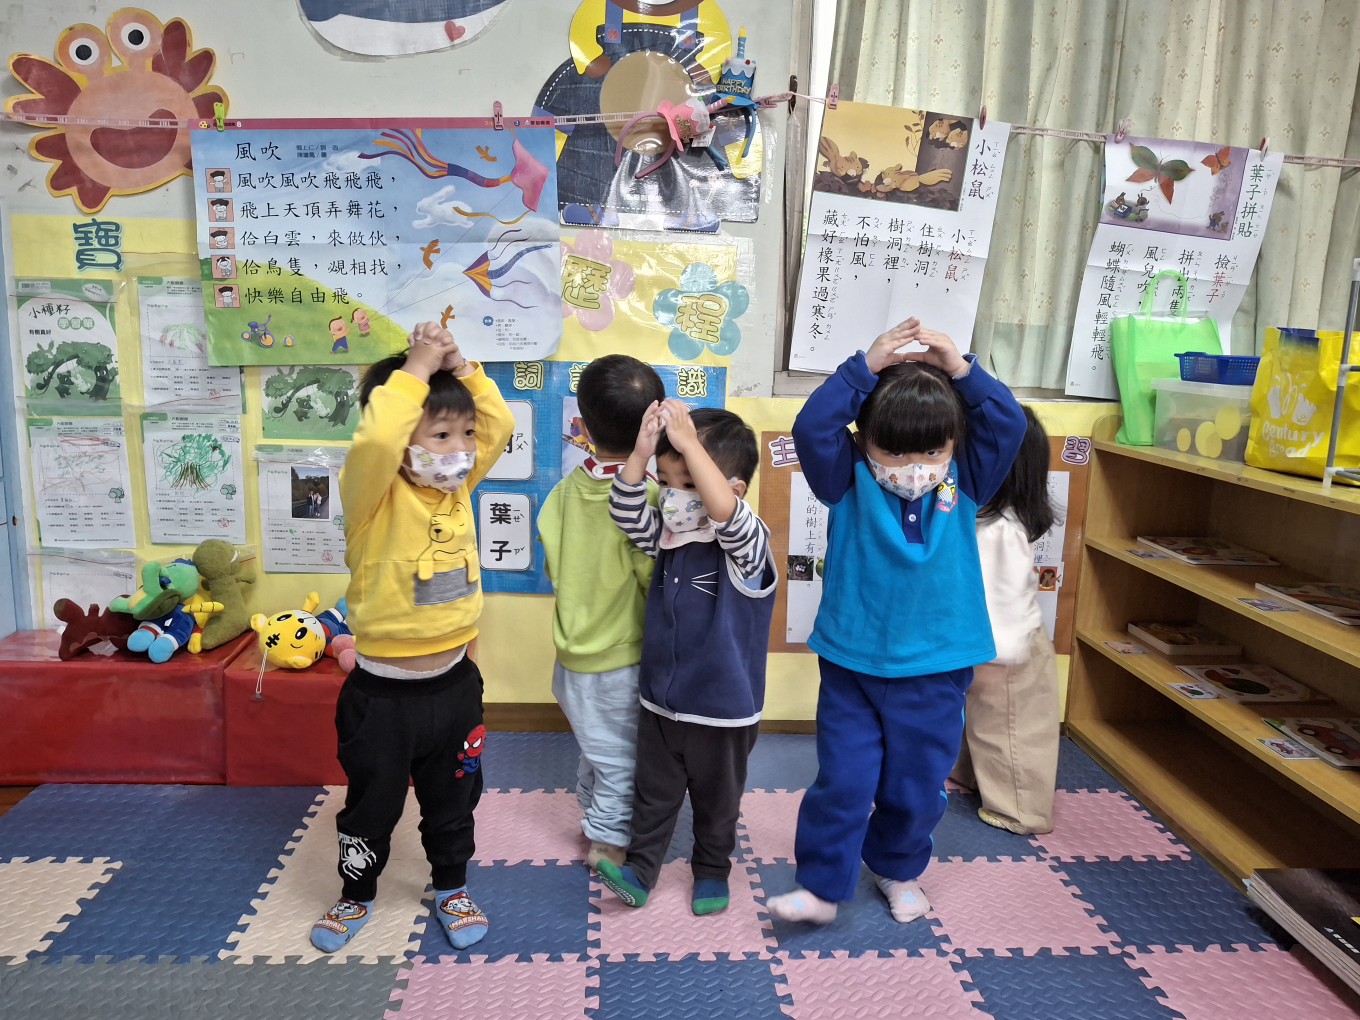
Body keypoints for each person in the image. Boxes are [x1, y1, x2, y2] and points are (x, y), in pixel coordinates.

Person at [766, 318, 1026, 926]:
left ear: (953, 445)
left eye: (932, 451)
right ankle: (821, 886)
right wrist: (864, 367)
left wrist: (961, 370)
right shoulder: (846, 478)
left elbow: (1008, 423)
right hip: (853, 662)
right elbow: (812, 426)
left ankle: (897, 869)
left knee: (916, 786)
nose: (914, 467)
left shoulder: (966, 478)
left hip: (937, 665)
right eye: (895, 451)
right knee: (844, 781)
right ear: (864, 442)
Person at [309, 322, 514, 954]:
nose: (462, 449)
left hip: (454, 688)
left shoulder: (457, 490)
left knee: (454, 800)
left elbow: (500, 425)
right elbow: (375, 439)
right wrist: (418, 366)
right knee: (371, 808)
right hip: (382, 699)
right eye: (441, 435)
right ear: (403, 442)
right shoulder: (372, 499)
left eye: (465, 435)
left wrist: (463, 365)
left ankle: (451, 885)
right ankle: (356, 894)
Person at [599, 401, 777, 916]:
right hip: (661, 701)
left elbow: (728, 519)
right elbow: (625, 511)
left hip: (722, 710)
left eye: (690, 484)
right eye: (667, 482)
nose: (673, 497)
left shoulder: (748, 544)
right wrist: (640, 453)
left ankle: (712, 870)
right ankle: (639, 871)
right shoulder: (672, 535)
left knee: (717, 802)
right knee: (653, 795)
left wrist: (691, 446)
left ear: (734, 489)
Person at [537, 355, 666, 872]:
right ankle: (609, 843)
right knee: (620, 758)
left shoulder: (564, 492)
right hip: (620, 659)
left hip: (570, 656)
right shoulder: (647, 496)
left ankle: (594, 818)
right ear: (653, 425)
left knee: (595, 747)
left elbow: (554, 565)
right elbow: (653, 579)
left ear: (584, 426)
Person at [951, 405, 1060, 835]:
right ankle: (974, 776)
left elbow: (1005, 599)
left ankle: (1021, 809)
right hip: (989, 639)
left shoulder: (1000, 529)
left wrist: (999, 654)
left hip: (1008, 645)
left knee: (1013, 728)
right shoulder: (985, 521)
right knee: (988, 719)